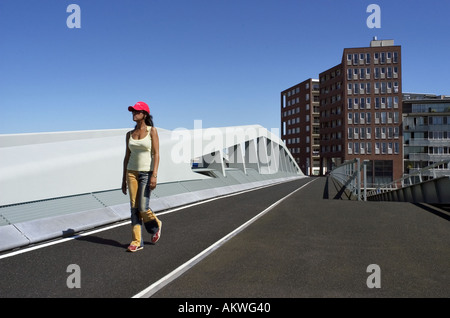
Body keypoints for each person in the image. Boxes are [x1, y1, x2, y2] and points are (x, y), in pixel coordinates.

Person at [121, 101, 162, 252]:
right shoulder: (129, 134)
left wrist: (154, 175)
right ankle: (136, 241)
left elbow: (156, 154)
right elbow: (126, 157)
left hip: (147, 173)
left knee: (143, 207)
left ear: (144, 114)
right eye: (132, 111)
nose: (134, 113)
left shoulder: (152, 131)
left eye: (137, 111)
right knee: (134, 208)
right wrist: (123, 179)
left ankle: (155, 225)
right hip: (131, 172)